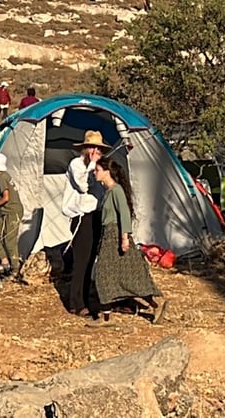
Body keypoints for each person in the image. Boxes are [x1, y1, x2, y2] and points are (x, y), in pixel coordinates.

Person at [92, 157, 167, 325]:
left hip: (116, 236)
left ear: (107, 172)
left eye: (97, 170)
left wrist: (124, 238)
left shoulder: (116, 190)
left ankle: (156, 304)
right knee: (107, 276)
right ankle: (106, 316)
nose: (94, 173)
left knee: (125, 276)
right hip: (108, 236)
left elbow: (124, 214)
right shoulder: (109, 192)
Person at [62, 131, 110, 318]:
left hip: (96, 214)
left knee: (91, 259)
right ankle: (75, 302)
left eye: (98, 148)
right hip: (81, 216)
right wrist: (91, 164)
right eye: (92, 147)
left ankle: (86, 297)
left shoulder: (98, 168)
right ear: (84, 148)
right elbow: (83, 186)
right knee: (81, 260)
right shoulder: (77, 165)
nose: (94, 151)